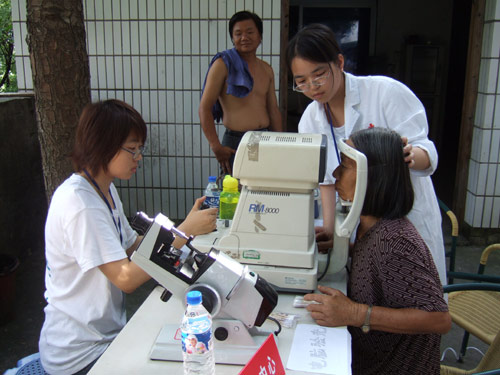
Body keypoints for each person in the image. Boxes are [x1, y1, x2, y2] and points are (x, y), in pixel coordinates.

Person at [38, 99, 217, 375]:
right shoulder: (80, 203)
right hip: (78, 355)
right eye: (131, 150)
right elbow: (126, 279)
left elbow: (135, 247)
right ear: (103, 145)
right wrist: (185, 231)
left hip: (103, 336)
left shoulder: (104, 189)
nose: (139, 157)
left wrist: (180, 233)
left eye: (139, 149)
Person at [286, 23, 447, 286]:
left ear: (339, 62)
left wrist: (409, 156)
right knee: (373, 291)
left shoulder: (386, 93)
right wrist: (329, 230)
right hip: (364, 223)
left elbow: (427, 152)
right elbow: (326, 179)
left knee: (415, 293)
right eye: (302, 81)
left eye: (319, 75)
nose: (313, 87)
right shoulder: (311, 120)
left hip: (406, 217)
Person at [304, 128, 451, 375]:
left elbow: (438, 319)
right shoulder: (371, 226)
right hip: (369, 360)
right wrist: (346, 249)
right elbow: (384, 271)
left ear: (373, 176)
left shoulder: (393, 241)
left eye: (346, 165)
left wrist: (353, 313)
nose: (336, 174)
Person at [199, 10, 282, 175]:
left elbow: (273, 109)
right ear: (233, 38)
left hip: (264, 138)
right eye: (238, 33)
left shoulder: (267, 69)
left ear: (260, 37)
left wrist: (281, 142)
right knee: (235, 193)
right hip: (235, 141)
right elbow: (204, 107)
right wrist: (215, 146)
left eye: (250, 32)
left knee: (263, 190)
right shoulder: (223, 64)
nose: (244, 37)